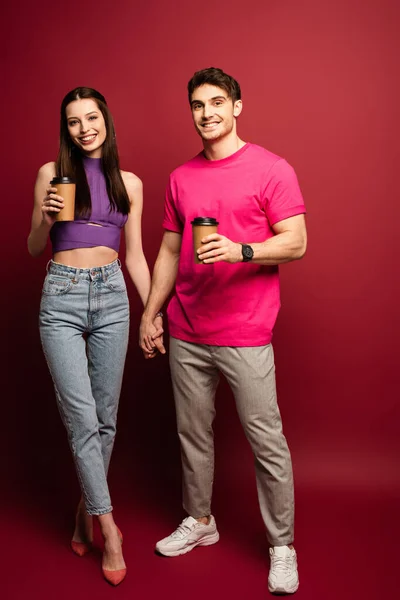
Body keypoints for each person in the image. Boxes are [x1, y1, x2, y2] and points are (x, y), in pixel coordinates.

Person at [139, 67, 307, 595]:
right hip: (187, 329)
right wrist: (151, 312)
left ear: (237, 106)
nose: (206, 113)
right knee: (193, 436)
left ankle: (282, 545)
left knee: (266, 441)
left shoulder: (271, 168)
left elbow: (297, 241)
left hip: (246, 333)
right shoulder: (180, 177)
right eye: (197, 104)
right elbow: (169, 249)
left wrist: (242, 250)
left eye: (217, 102)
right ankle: (201, 522)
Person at [28, 87, 159, 586]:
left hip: (112, 298)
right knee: (81, 419)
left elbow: (137, 258)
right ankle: (111, 527)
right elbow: (33, 245)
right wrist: (43, 214)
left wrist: (152, 312)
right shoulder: (50, 174)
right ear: (66, 128)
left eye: (92, 117)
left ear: (105, 119)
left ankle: (84, 511)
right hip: (60, 296)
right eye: (74, 121)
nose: (85, 128)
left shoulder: (130, 183)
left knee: (106, 420)